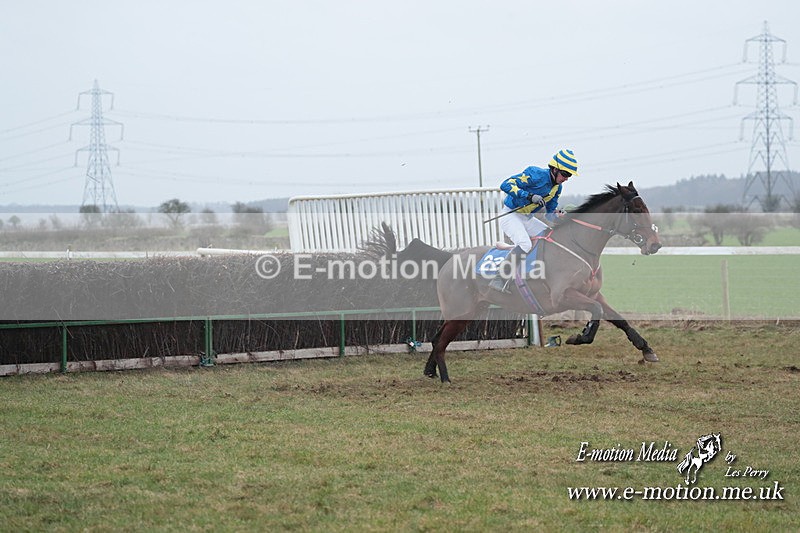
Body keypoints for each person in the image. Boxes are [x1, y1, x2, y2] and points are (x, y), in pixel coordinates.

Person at [488, 148, 578, 293]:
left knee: (550, 237)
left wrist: (559, 215)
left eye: (570, 176)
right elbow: (505, 184)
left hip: (527, 219)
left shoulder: (557, 188)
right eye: (565, 174)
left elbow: (550, 214)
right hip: (510, 215)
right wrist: (529, 196)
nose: (566, 178)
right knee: (524, 244)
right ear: (555, 169)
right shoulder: (535, 174)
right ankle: (499, 278)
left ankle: (537, 274)